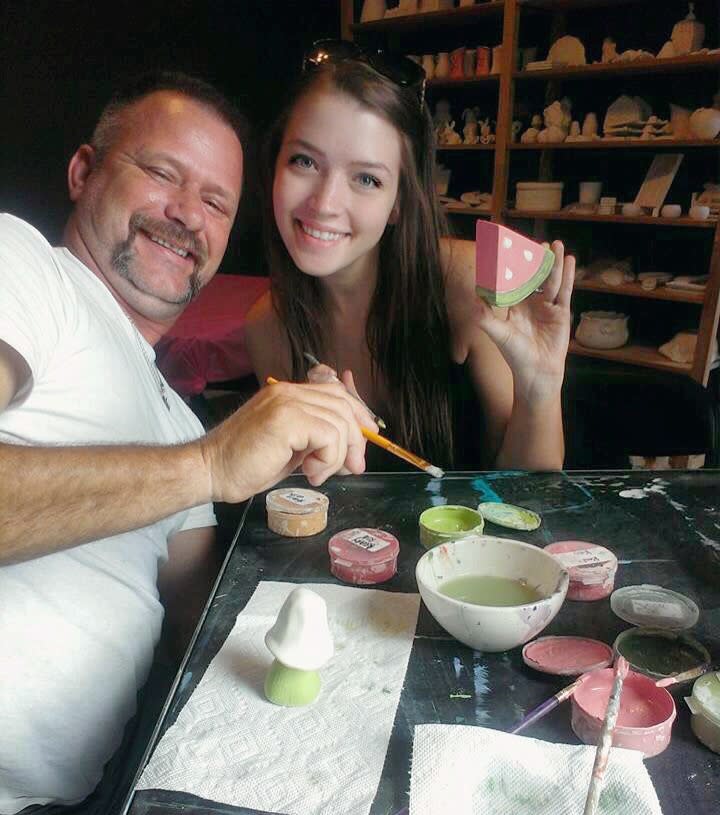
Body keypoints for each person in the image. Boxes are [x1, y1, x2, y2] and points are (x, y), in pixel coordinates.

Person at [0, 71, 374, 813]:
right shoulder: (25, 267)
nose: (185, 215)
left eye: (215, 202)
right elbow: (203, 469)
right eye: (162, 173)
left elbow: (205, 624)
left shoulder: (175, 419)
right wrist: (211, 463)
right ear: (83, 172)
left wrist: (298, 476)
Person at [246, 41, 575, 472]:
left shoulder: (468, 282)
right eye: (304, 161)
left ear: (399, 201)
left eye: (366, 178)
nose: (325, 203)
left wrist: (541, 389)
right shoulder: (267, 327)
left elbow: (526, 489)